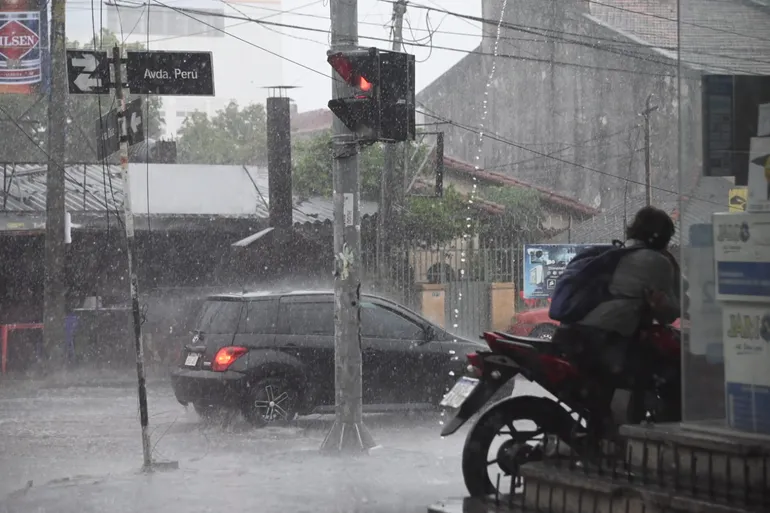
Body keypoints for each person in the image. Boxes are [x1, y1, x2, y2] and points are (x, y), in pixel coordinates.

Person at [552, 206, 682, 438]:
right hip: (602, 343)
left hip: (569, 336)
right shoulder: (657, 262)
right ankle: (631, 435)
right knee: (656, 375)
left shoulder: (613, 254)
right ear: (664, 236)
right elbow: (671, 312)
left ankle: (603, 432)